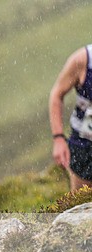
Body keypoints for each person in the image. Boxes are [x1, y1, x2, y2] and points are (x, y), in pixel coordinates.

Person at [50, 44, 92, 191]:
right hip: (85, 146)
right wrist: (58, 138)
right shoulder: (83, 60)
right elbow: (56, 94)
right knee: (81, 204)